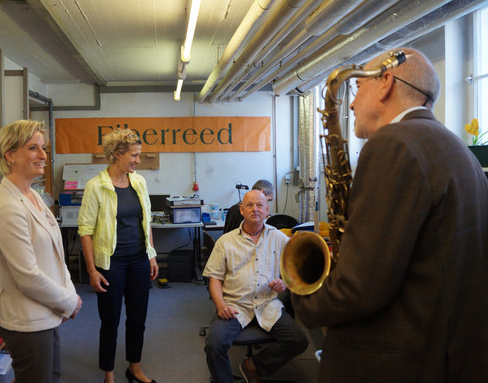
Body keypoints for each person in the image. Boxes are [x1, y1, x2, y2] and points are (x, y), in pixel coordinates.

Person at [292, 48, 488, 382]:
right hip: (446, 356)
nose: (351, 104)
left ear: (385, 83)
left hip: (395, 362)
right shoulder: (458, 149)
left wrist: (301, 296)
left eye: (358, 91)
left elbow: (358, 288)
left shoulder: (392, 144)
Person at [0, 120, 82, 383]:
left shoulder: (32, 194)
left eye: (43, 148)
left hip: (46, 310)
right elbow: (27, 275)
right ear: (10, 155)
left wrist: (68, 295)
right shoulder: (7, 206)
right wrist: (69, 302)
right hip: (25, 318)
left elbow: (56, 254)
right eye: (33, 148)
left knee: (52, 376)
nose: (43, 156)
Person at [78, 129, 159, 383]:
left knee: (138, 319)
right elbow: (85, 231)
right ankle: (109, 372)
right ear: (116, 155)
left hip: (139, 260)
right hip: (111, 264)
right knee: (110, 321)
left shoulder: (139, 182)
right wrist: (92, 270)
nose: (138, 160)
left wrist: (152, 255)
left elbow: (147, 221)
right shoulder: (96, 186)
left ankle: (134, 367)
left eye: (139, 155)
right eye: (134, 155)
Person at [204, 190, 308, 383]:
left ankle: (254, 366)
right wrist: (220, 305)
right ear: (241, 210)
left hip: (267, 304)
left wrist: (284, 282)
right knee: (214, 344)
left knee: (298, 341)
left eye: (260, 205)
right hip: (235, 305)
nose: (255, 209)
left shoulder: (280, 239)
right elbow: (215, 279)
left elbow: (294, 270)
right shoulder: (225, 242)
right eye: (250, 205)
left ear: (267, 210)